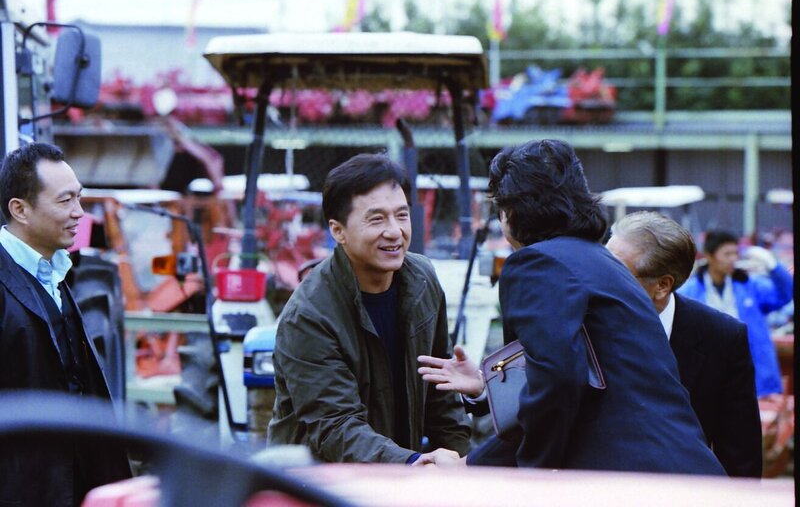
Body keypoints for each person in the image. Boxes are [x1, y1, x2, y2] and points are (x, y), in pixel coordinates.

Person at [418, 139, 724, 474]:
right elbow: (577, 381)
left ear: (513, 212)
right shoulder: (603, 263)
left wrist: (484, 469)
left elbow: (557, 383)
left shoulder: (538, 262)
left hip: (630, 481)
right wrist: (486, 389)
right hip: (681, 470)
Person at [268, 153, 471, 463]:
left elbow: (441, 396)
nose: (394, 231)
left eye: (402, 215)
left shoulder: (422, 280)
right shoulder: (308, 315)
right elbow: (335, 427)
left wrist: (462, 463)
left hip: (401, 471)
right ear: (338, 231)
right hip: (320, 478)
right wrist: (412, 464)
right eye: (377, 219)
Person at [0, 143, 131, 506]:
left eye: (79, 197)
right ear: (20, 209)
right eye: (65, 201)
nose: (79, 213)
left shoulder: (54, 274)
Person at [606, 212, 762, 477]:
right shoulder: (583, 321)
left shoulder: (721, 338)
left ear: (662, 285)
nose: (601, 279)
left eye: (616, 272)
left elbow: (740, 453)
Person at [679, 230, 792, 397]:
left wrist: (773, 266)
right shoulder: (689, 291)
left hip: (751, 369)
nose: (733, 259)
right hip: (708, 370)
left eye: (735, 253)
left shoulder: (750, 286)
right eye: (727, 254)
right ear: (709, 256)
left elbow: (785, 294)